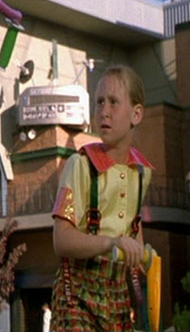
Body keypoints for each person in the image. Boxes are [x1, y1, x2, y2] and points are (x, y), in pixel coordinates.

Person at [50, 64, 153, 331]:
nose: (104, 111)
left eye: (113, 102)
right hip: (77, 294)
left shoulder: (141, 173)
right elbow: (61, 239)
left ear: (136, 114)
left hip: (117, 294)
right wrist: (111, 242)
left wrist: (141, 255)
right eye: (99, 102)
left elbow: (133, 224)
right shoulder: (81, 165)